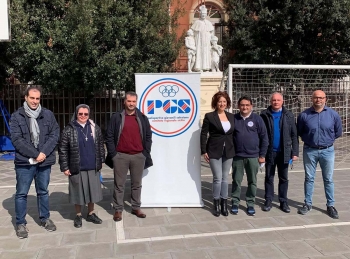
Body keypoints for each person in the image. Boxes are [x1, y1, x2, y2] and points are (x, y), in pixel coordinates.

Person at [10, 85, 59, 238]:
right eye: (32, 98)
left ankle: (45, 218)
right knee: (21, 193)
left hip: (44, 161)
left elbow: (54, 134)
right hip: (25, 163)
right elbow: (17, 140)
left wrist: (43, 153)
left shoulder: (48, 115)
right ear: (26, 97)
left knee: (43, 191)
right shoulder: (17, 116)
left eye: (37, 98)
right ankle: (20, 223)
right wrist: (36, 154)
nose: (35, 101)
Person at [105, 91, 152, 222]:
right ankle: (118, 209)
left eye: (133, 101)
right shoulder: (116, 117)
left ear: (136, 102)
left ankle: (136, 207)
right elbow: (109, 136)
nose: (131, 104)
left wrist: (145, 153)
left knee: (137, 184)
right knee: (119, 185)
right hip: (120, 156)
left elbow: (148, 136)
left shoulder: (142, 117)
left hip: (138, 156)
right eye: (129, 101)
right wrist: (113, 154)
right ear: (124, 102)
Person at [297, 90, 342, 219]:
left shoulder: (333, 115)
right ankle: (307, 204)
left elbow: (338, 132)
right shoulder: (304, 115)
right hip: (310, 150)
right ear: (312, 99)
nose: (319, 100)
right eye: (316, 98)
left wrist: (327, 139)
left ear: (325, 99)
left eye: (321, 98)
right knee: (309, 178)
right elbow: (300, 131)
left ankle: (330, 205)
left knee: (328, 179)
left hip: (327, 151)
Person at [58, 104, 105, 228]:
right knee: (77, 192)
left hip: (92, 166)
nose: (83, 116)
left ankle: (91, 213)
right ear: (76, 114)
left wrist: (101, 161)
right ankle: (78, 215)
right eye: (80, 114)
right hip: (76, 166)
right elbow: (62, 149)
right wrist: (65, 166)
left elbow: (100, 145)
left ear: (89, 115)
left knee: (92, 191)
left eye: (86, 114)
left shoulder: (95, 128)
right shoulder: (69, 129)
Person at [260, 92, 299, 213]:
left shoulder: (289, 115)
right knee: (269, 177)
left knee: (283, 178)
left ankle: (283, 201)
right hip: (269, 151)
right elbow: (260, 135)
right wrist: (261, 153)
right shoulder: (264, 115)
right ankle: (268, 200)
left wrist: (295, 152)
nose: (276, 102)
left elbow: (294, 135)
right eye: (274, 100)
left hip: (284, 152)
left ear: (283, 102)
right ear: (270, 101)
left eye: (278, 100)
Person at [231, 96, 268, 216]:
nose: (245, 107)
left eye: (247, 105)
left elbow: (264, 138)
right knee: (236, 180)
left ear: (251, 106)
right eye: (242, 105)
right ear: (238, 106)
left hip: (253, 156)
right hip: (237, 156)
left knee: (252, 181)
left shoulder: (257, 119)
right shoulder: (234, 119)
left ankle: (250, 203)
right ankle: (235, 202)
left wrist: (262, 155)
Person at [200, 91, 235, 217]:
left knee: (225, 178)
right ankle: (216, 203)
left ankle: (224, 203)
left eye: (224, 101)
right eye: (220, 101)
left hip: (229, 150)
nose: (222, 103)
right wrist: (204, 150)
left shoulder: (231, 116)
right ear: (215, 103)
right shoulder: (209, 116)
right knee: (217, 178)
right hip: (214, 150)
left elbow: (233, 134)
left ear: (227, 103)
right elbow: (204, 134)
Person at [191, 5, 214, 72]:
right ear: (200, 14)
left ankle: (206, 67)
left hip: (207, 42)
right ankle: (199, 67)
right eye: (202, 14)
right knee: (199, 53)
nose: (203, 15)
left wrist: (213, 41)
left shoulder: (208, 23)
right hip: (199, 41)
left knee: (206, 53)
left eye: (204, 14)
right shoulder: (197, 22)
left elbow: (212, 33)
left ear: (206, 14)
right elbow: (192, 32)